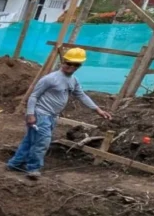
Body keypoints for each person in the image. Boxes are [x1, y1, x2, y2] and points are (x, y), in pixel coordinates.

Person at [8, 48, 112, 180]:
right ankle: (33, 168)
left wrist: (98, 110)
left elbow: (81, 95)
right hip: (41, 114)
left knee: (30, 140)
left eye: (76, 65)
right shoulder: (50, 79)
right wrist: (30, 114)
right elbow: (34, 96)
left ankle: (14, 164)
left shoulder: (73, 80)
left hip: (52, 116)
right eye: (69, 63)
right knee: (42, 142)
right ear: (63, 61)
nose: (71, 67)